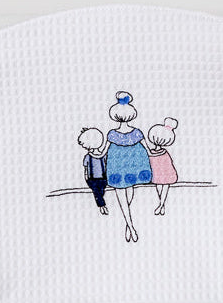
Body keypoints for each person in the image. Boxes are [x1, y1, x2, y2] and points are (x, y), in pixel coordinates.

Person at [103, 92, 151, 243]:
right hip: (131, 166)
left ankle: (128, 224)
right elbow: (149, 149)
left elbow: (103, 152)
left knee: (123, 192)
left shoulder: (112, 134)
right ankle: (130, 226)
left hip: (118, 166)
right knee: (128, 190)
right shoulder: (136, 132)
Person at [147, 118, 179, 216]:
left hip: (164, 173)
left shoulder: (155, 152)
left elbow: (168, 164)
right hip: (158, 174)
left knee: (162, 186)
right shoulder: (161, 152)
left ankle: (161, 205)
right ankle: (161, 205)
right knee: (160, 187)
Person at [77, 127, 109, 215]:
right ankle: (102, 206)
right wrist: (86, 178)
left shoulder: (103, 155)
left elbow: (106, 166)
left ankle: (102, 206)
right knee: (96, 192)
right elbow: (86, 168)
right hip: (92, 179)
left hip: (103, 178)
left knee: (101, 192)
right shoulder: (88, 156)